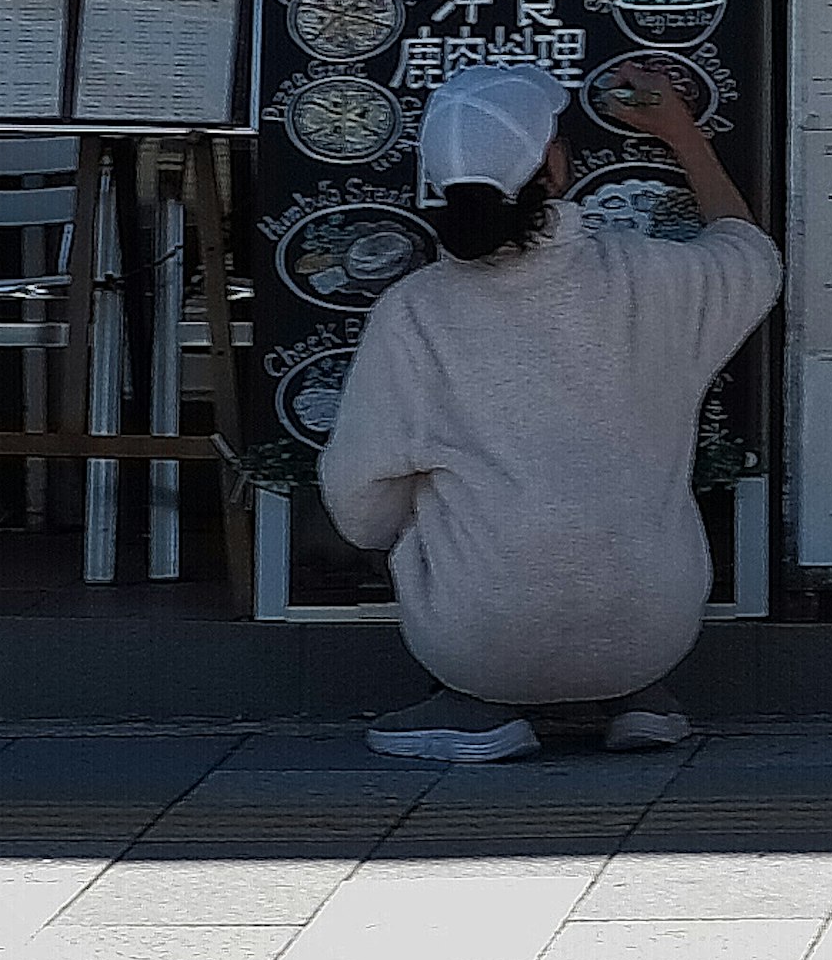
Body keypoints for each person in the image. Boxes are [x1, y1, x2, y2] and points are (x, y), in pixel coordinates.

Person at [320, 59, 779, 761]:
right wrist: (683, 135)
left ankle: (478, 706)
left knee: (417, 500)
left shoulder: (415, 309)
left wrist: (406, 538)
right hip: (656, 632)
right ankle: (637, 700)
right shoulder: (650, 279)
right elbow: (751, 258)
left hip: (480, 640)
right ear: (556, 168)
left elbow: (360, 503)